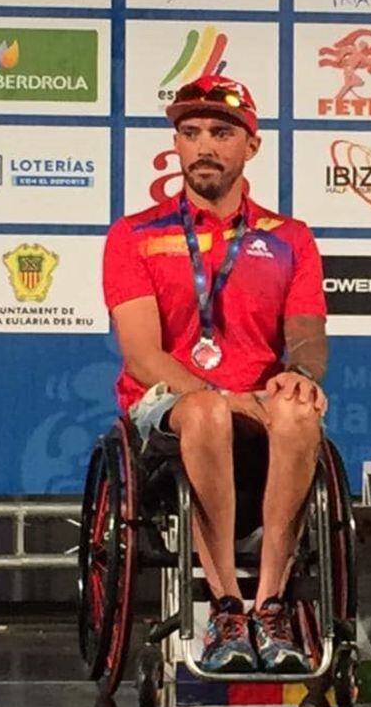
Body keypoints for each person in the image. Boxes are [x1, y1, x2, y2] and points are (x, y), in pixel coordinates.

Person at [102, 75, 328, 674]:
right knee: (204, 411)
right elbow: (143, 354)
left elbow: (306, 334)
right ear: (175, 144)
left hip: (260, 404)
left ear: (250, 145)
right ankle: (226, 607)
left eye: (222, 132)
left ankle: (271, 604)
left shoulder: (289, 238)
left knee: (301, 407)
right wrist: (221, 398)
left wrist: (301, 371)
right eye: (190, 131)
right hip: (168, 406)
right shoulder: (135, 236)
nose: (204, 144)